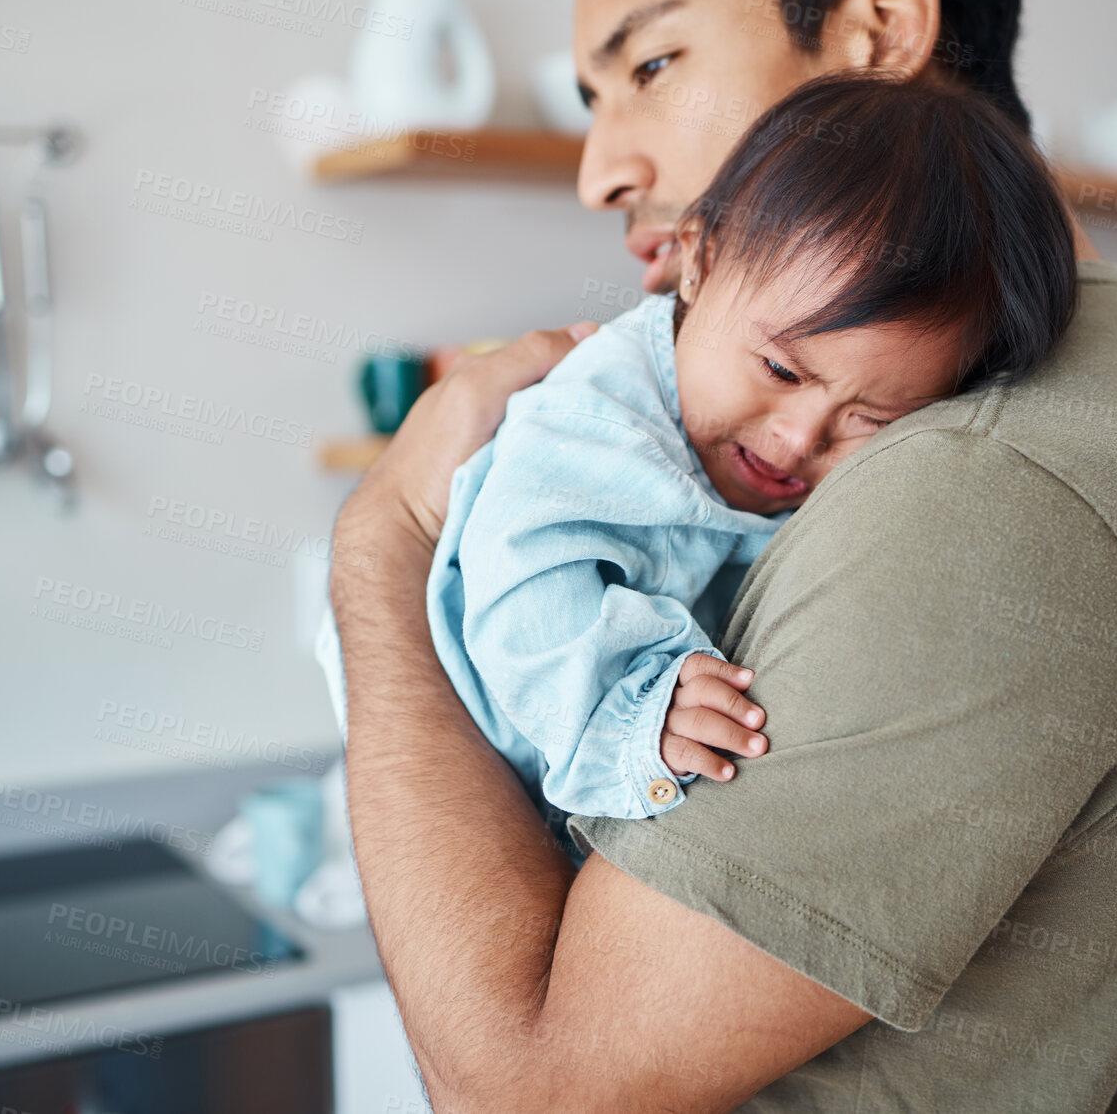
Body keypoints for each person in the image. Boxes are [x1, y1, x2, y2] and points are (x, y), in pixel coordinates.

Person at [323, 0, 1117, 1109]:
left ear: (884, 26)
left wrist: (384, 538)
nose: (599, 170)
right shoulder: (1078, 396)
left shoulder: (983, 485)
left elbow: (523, 1090)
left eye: (654, 64)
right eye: (590, 98)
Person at [416, 74, 1075, 844]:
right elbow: (523, 584)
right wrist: (637, 706)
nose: (798, 439)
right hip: (479, 758)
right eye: (781, 371)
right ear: (697, 259)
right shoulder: (599, 419)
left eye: (873, 418)